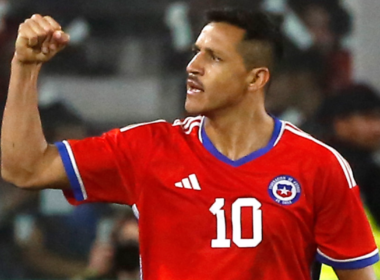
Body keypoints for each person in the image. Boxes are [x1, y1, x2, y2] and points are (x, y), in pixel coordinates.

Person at [1, 9, 379, 280]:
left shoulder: (318, 165)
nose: (192, 65)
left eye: (213, 57)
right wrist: (24, 67)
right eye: (196, 51)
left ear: (255, 79)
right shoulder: (148, 149)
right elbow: (25, 167)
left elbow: (357, 275)